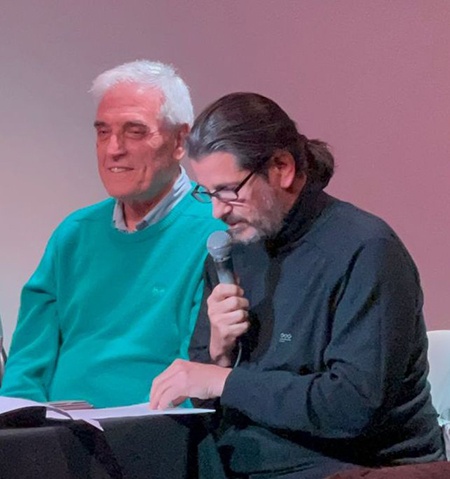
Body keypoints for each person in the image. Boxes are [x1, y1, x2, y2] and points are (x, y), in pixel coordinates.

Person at [149, 92, 445, 478]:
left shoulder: (366, 250)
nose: (217, 210)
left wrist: (225, 380)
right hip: (247, 459)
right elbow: (210, 391)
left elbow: (352, 406)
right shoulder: (232, 251)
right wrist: (219, 354)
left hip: (350, 465)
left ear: (282, 168)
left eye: (228, 190)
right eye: (207, 193)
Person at [0, 60, 223, 408]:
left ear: (180, 140)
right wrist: (21, 425)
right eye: (103, 132)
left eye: (135, 131)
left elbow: (196, 380)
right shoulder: (73, 234)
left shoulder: (216, 233)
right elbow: (25, 370)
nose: (113, 149)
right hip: (54, 433)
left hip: (153, 430)